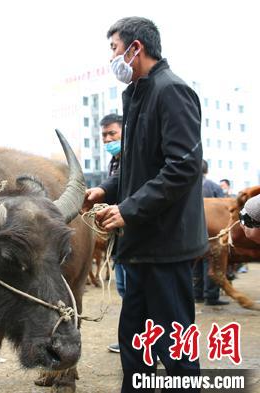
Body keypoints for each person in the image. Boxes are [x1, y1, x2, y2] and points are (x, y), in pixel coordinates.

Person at [84, 17, 205, 392]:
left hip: (165, 247)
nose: (112, 58)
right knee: (135, 343)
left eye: (115, 49)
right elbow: (136, 169)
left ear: (136, 48)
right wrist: (105, 191)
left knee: (175, 348)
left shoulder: (172, 91)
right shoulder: (138, 95)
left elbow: (183, 167)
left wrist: (128, 210)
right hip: (140, 247)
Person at [100, 113, 125, 354]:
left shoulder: (135, 159)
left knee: (140, 293)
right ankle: (132, 339)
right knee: (126, 291)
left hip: (135, 237)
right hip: (120, 238)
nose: (108, 139)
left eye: (112, 134)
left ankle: (150, 345)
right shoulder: (114, 162)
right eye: (104, 135)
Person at [193, 160, 228, 305]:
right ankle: (211, 296)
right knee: (212, 261)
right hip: (213, 230)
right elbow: (224, 208)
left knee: (197, 260)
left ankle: (197, 294)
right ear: (206, 170)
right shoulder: (213, 187)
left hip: (192, 229)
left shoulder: (188, 186)